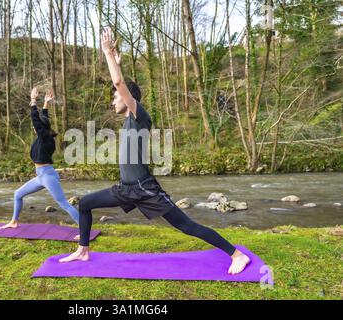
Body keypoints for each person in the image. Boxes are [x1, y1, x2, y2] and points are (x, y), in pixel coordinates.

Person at [59, 28, 251, 275]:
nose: (112, 101)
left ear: (129, 99)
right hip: (125, 189)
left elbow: (120, 83)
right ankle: (83, 251)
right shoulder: (130, 120)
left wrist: (107, 53)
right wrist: (118, 63)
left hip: (144, 189)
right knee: (84, 204)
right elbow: (122, 84)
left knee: (187, 226)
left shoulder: (141, 116)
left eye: (115, 97)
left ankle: (237, 255)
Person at [0, 87, 80, 239]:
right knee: (17, 194)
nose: (34, 129)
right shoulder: (45, 135)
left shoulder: (44, 138)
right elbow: (44, 119)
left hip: (48, 176)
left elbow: (37, 120)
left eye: (35, 128)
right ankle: (14, 221)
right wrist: (46, 104)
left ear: (40, 129)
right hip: (40, 176)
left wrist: (33, 101)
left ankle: (84, 230)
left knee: (64, 203)